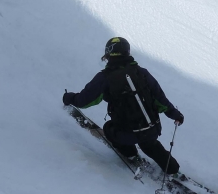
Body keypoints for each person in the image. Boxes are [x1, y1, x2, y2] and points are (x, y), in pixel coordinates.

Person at [63, 37, 184, 175]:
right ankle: (173, 170)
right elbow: (160, 99)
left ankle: (131, 154)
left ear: (108, 54)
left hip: (127, 133)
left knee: (109, 128)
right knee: (150, 145)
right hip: (152, 128)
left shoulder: (105, 78)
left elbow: (84, 101)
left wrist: (69, 98)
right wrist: (175, 114)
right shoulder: (142, 72)